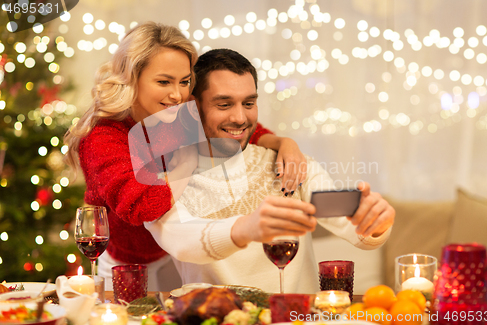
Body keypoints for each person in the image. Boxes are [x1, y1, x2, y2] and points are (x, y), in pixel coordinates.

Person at [63, 22, 309, 291]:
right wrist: (189, 159)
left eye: (184, 81)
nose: (177, 94)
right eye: (163, 81)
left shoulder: (178, 109)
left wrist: (284, 143)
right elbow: (141, 205)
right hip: (127, 263)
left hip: (174, 254)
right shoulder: (103, 137)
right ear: (132, 77)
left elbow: (237, 128)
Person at [145, 49, 396, 294]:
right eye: (224, 104)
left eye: (249, 103)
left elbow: (347, 221)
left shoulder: (290, 164)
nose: (240, 117)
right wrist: (246, 228)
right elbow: (184, 242)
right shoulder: (162, 183)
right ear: (192, 107)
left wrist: (373, 221)